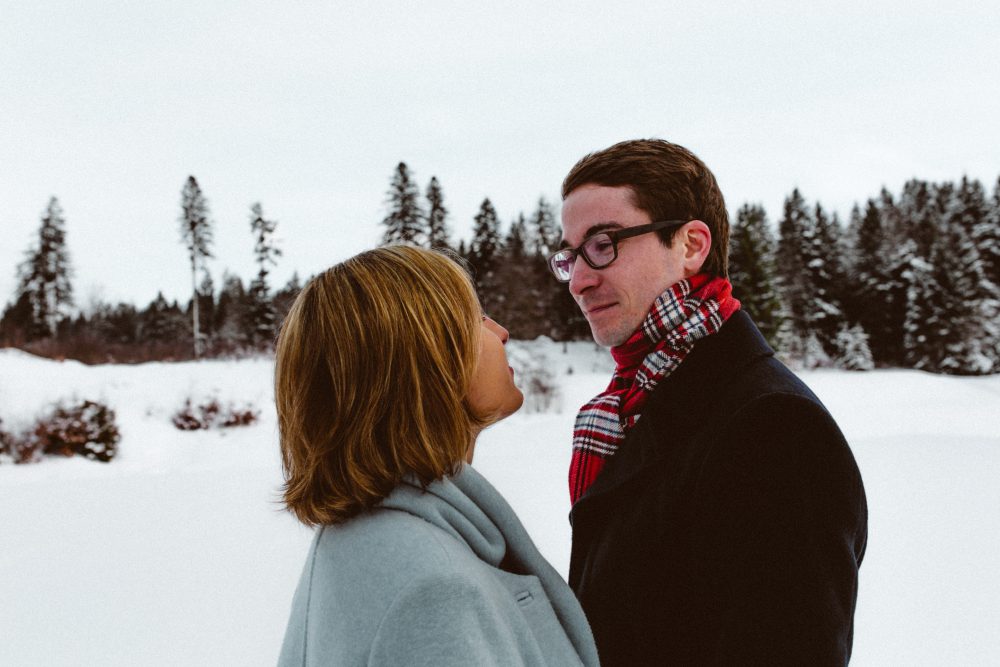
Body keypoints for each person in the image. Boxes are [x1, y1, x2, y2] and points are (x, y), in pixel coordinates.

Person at [548, 139, 868, 665]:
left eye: (603, 243)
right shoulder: (632, 409)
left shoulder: (773, 430)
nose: (580, 279)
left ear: (691, 245)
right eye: (570, 255)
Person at [274, 245, 599, 667]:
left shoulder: (364, 541)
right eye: (475, 318)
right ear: (427, 361)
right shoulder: (434, 590)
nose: (501, 331)